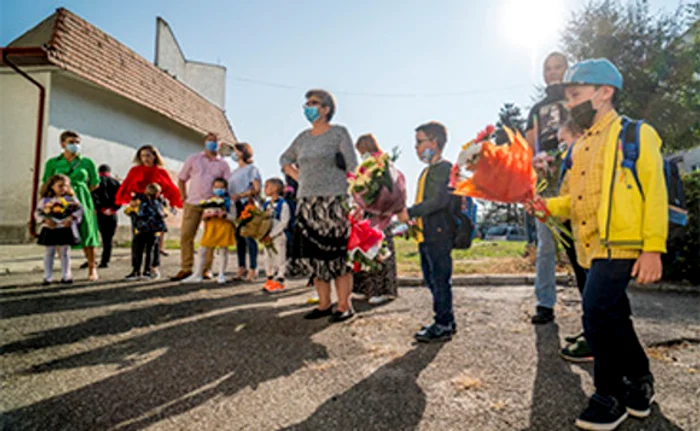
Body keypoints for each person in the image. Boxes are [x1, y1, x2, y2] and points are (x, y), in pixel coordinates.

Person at [533, 58, 666, 430]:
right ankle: (640, 378)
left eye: (576, 95)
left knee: (594, 312)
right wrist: (545, 206)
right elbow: (572, 202)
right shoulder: (578, 148)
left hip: (623, 244)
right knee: (614, 316)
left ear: (604, 93)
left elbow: (655, 193)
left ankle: (609, 395)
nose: (569, 104)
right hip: (590, 247)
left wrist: (652, 247)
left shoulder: (635, 135)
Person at [280, 89, 358, 323]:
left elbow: (353, 167)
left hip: (334, 201)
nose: (308, 107)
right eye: (307, 103)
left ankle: (344, 305)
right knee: (315, 256)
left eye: (314, 103)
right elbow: (284, 159)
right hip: (307, 202)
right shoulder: (303, 138)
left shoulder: (339, 133)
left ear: (326, 109)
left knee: (337, 255)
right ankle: (324, 304)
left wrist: (356, 200)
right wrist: (296, 176)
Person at [397, 121, 455, 342]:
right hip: (426, 233)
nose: (416, 147)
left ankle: (443, 324)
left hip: (438, 233)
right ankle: (446, 319)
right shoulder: (428, 171)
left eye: (420, 142)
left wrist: (410, 212)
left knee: (440, 280)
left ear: (435, 142)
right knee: (431, 279)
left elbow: (438, 201)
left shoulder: (443, 168)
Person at [525, 52, 570, 325]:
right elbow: (530, 147)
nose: (553, 72)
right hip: (546, 182)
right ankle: (545, 304)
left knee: (580, 243)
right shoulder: (536, 110)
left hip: (576, 176)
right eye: (548, 69)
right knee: (546, 246)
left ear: (567, 69)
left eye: (557, 67)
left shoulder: (577, 99)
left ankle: (593, 302)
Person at [556, 120, 593, 363]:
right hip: (571, 224)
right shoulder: (572, 158)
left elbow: (576, 196)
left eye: (564, 140)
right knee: (583, 283)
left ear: (579, 135)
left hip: (583, 229)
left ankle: (594, 339)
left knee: (590, 286)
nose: (562, 146)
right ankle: (591, 331)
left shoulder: (584, 158)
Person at [116, 145, 183, 278]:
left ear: (154, 156)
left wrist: (174, 204)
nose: (145, 158)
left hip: (155, 205)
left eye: (148, 155)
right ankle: (135, 269)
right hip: (139, 205)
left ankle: (151, 268)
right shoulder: (135, 171)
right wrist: (129, 199)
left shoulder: (161, 172)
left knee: (153, 240)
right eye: (142, 156)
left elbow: (170, 189)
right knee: (138, 239)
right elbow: (126, 187)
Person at [171, 133, 232, 281]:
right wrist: (183, 197)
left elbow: (228, 185)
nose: (212, 143)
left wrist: (224, 204)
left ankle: (206, 269)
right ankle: (186, 268)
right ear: (205, 142)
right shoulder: (194, 159)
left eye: (215, 141)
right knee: (186, 235)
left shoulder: (223, 164)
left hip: (213, 205)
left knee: (210, 238)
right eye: (209, 141)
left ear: (220, 144)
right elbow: (182, 178)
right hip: (193, 202)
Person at [42, 131, 100, 281]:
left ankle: (92, 267)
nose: (75, 145)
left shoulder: (87, 162)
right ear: (63, 144)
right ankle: (63, 271)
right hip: (59, 200)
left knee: (87, 233)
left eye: (77, 142)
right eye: (71, 142)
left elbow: (94, 184)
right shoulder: (53, 163)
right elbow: (47, 183)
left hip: (81, 198)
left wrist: (77, 191)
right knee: (60, 234)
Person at [352, 134, 398, 305]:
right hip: (368, 213)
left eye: (362, 151)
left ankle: (382, 290)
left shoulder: (383, 164)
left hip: (380, 213)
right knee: (365, 250)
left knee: (379, 251)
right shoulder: (367, 165)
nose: (361, 154)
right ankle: (366, 288)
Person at [182, 178, 236, 285]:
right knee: (202, 250)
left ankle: (221, 274)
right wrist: (206, 216)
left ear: (225, 188)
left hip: (223, 227)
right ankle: (197, 274)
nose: (218, 189)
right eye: (216, 187)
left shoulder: (230, 202)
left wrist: (225, 215)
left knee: (223, 250)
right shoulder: (208, 201)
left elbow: (234, 216)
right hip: (211, 228)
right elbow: (204, 215)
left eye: (221, 187)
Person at [35, 174, 84, 285]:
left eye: (65, 186)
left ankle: (66, 275)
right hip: (50, 228)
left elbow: (80, 210)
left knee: (65, 252)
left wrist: (71, 218)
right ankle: (48, 276)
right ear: (52, 186)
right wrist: (45, 220)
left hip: (64, 227)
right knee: (49, 252)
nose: (63, 189)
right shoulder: (46, 200)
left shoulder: (70, 200)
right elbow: (38, 212)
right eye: (60, 186)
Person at [229, 143, 263, 282]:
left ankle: (253, 269)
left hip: (246, 205)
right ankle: (241, 267)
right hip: (235, 206)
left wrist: (241, 195)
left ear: (242, 153)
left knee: (249, 237)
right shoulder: (234, 172)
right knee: (239, 237)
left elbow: (256, 189)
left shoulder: (252, 169)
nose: (233, 153)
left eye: (235, 151)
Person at [125, 183, 167, 280]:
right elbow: (164, 214)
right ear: (157, 194)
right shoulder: (159, 203)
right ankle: (147, 272)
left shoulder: (138, 202)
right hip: (153, 232)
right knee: (150, 251)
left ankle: (136, 271)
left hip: (140, 231)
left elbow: (128, 211)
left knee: (137, 251)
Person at [261, 178, 291, 293]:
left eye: (267, 187)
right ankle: (269, 278)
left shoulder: (283, 204)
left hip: (278, 236)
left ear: (275, 189)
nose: (265, 189)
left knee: (280, 257)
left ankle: (280, 280)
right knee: (268, 257)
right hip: (266, 236)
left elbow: (284, 222)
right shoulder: (266, 204)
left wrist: (273, 234)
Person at [90, 164, 121, 268]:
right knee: (108, 239)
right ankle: (105, 261)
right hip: (112, 214)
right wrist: (113, 209)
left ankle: (91, 260)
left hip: (97, 213)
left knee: (93, 237)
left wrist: (101, 208)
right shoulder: (116, 182)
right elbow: (120, 198)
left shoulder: (95, 182)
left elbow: (93, 196)